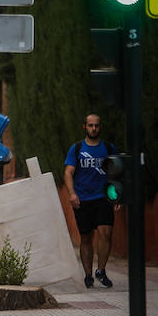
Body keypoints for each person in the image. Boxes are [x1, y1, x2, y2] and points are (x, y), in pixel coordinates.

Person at [63, 113, 119, 289]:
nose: (93, 128)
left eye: (96, 125)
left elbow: (117, 172)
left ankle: (101, 271)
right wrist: (72, 194)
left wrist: (117, 195)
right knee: (86, 238)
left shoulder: (109, 149)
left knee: (106, 233)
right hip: (83, 199)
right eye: (90, 125)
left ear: (100, 127)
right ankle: (88, 274)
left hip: (103, 198)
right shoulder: (77, 148)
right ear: (85, 127)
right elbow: (68, 172)